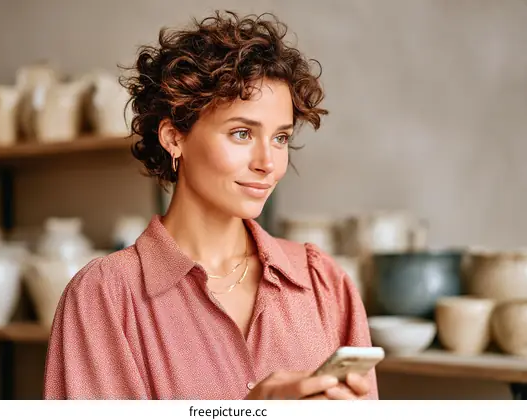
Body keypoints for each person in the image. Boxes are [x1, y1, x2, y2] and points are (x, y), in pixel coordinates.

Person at [43, 10, 378, 400]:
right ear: (174, 138)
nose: (268, 163)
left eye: (281, 138)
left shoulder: (323, 282)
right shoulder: (104, 297)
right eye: (241, 133)